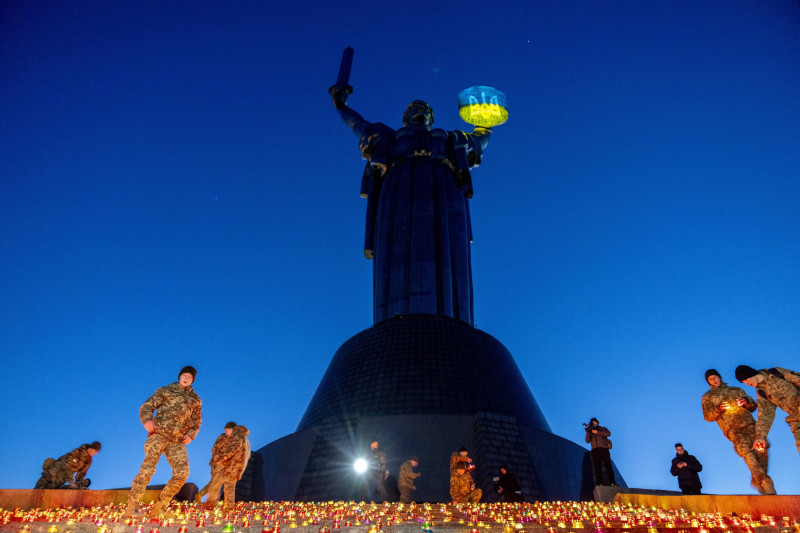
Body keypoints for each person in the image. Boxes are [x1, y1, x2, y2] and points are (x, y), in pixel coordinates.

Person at [331, 86, 492, 326]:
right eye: (414, 109)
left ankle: (450, 319)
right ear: (405, 117)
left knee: (445, 245)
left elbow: (477, 141)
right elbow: (358, 125)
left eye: (425, 110)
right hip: (400, 190)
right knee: (398, 245)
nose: (420, 111)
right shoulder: (389, 137)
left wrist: (484, 125)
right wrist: (341, 106)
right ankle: (395, 320)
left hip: (443, 190)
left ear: (430, 118)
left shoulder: (449, 138)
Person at [124, 366, 202, 517]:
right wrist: (147, 420)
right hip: (158, 434)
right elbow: (147, 406)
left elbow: (197, 421)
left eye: (190, 377)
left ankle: (160, 507)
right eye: (184, 375)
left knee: (182, 473)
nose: (186, 378)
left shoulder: (195, 400)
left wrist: (190, 435)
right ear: (180, 376)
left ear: (192, 380)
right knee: (148, 468)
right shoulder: (165, 391)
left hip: (177, 440)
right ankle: (131, 508)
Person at [701, 369, 775, 495]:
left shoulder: (735, 390)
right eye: (710, 379)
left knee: (762, 448)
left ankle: (756, 478)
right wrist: (718, 409)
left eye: (715, 377)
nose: (714, 380)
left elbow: (753, 405)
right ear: (709, 382)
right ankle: (764, 481)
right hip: (732, 428)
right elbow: (707, 416)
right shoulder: (708, 397)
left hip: (750, 424)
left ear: (719, 377)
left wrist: (746, 402)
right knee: (746, 451)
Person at [736, 365, 800, 458]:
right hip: (796, 420)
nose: (745, 384)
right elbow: (765, 415)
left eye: (745, 380)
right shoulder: (762, 393)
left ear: (750, 374)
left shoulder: (776, 373)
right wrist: (760, 437)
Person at [199, 423, 250, 510]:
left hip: (229, 464)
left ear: (232, 429)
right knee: (227, 486)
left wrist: (224, 457)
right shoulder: (243, 438)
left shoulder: (237, 435)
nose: (226, 433)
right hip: (233, 466)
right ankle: (228, 507)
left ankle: (211, 504)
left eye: (226, 431)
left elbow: (235, 447)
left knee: (220, 484)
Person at [34, 441, 101, 489]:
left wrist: (80, 486)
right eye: (95, 451)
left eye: (97, 452)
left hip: (60, 480)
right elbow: (67, 465)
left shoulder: (88, 461)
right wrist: (71, 481)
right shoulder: (77, 452)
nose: (95, 453)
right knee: (37, 491)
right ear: (91, 448)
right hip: (52, 474)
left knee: (48, 494)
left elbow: (81, 475)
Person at [584, 417, 617, 486]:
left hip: (604, 448)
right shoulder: (590, 431)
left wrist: (598, 432)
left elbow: (608, 434)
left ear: (597, 422)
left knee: (608, 465)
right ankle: (599, 483)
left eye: (595, 422)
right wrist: (588, 431)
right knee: (597, 466)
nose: (594, 423)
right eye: (592, 422)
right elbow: (587, 441)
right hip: (595, 450)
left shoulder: (603, 428)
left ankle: (612, 482)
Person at [364, 438, 388, 502]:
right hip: (369, 471)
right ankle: (365, 502)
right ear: (371, 444)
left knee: (380, 486)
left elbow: (383, 462)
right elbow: (364, 459)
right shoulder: (367, 451)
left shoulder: (380, 451)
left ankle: (385, 502)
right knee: (365, 486)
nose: (377, 444)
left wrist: (382, 472)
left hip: (378, 471)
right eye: (375, 442)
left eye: (377, 443)